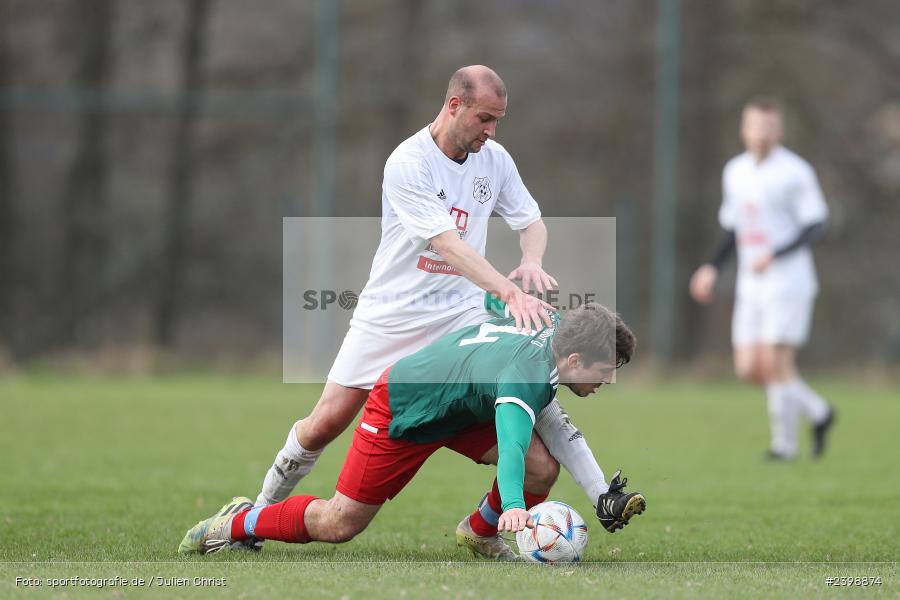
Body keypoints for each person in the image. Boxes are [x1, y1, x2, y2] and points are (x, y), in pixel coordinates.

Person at [248, 65, 616, 543]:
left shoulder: (496, 160)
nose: (492, 131)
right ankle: (257, 512)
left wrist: (530, 258)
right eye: (485, 118)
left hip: (460, 319)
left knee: (528, 404)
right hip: (390, 313)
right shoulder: (408, 162)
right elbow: (449, 245)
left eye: (498, 120)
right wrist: (507, 291)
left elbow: (531, 220)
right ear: (454, 105)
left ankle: (487, 532)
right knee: (326, 422)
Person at [178, 302, 645, 557]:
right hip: (406, 407)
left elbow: (555, 428)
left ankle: (479, 534)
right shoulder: (525, 376)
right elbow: (513, 443)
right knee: (340, 524)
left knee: (541, 468)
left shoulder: (558, 328)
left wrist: (602, 491)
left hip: (459, 405)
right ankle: (235, 523)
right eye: (604, 372)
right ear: (575, 360)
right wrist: (517, 509)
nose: (607, 381)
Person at [689, 96, 835, 460]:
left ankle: (783, 447)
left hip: (789, 281)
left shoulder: (795, 171)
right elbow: (733, 228)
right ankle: (819, 411)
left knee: (775, 363)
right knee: (748, 368)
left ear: (779, 131)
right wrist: (712, 267)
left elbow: (816, 223)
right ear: (744, 130)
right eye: (755, 127)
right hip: (750, 283)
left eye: (768, 128)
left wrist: (777, 252)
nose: (761, 135)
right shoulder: (735, 171)